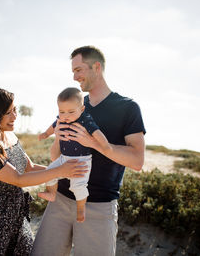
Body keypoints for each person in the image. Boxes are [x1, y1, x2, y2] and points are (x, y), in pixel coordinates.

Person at [32, 46, 146, 256]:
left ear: (97, 67)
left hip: (99, 207)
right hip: (60, 201)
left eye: (79, 70)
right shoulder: (74, 107)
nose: (75, 77)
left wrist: (94, 143)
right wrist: (57, 138)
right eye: (73, 72)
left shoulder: (127, 108)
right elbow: (57, 155)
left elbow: (137, 161)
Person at [0, 88, 87, 256]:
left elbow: (29, 167)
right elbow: (18, 179)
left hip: (17, 211)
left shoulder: (11, 136)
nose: (15, 116)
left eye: (15, 110)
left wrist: (65, 173)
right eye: (9, 112)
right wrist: (59, 170)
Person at [37, 87, 109, 223]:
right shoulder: (61, 120)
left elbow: (96, 132)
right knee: (49, 172)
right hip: (64, 158)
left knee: (78, 186)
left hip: (81, 160)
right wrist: (46, 134)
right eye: (61, 111)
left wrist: (104, 144)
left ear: (81, 109)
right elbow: (53, 126)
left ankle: (81, 209)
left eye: (70, 112)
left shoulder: (85, 119)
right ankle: (52, 193)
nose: (65, 116)